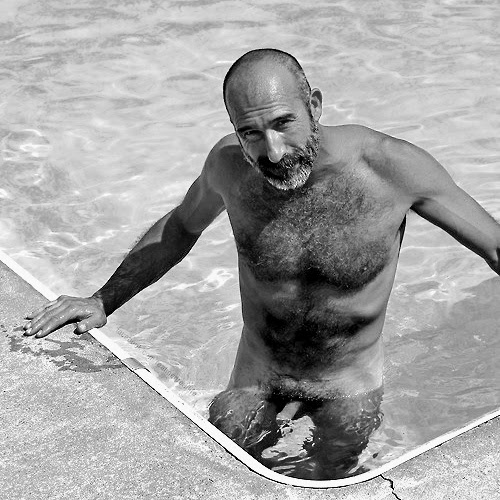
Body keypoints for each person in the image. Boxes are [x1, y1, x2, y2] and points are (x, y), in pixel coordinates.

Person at [23, 49, 500, 479]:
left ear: (314, 106)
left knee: (330, 478)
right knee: (215, 474)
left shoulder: (392, 168)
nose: (272, 151)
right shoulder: (229, 167)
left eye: (283, 123)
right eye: (249, 132)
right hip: (257, 376)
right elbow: (181, 227)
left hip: (349, 385)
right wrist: (103, 299)